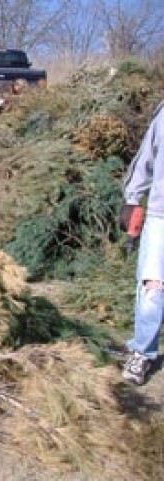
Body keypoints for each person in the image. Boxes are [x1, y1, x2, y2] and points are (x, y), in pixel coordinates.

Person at [119, 100, 164, 385]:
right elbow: (146, 157)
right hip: (162, 214)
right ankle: (143, 351)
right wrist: (132, 198)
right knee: (152, 285)